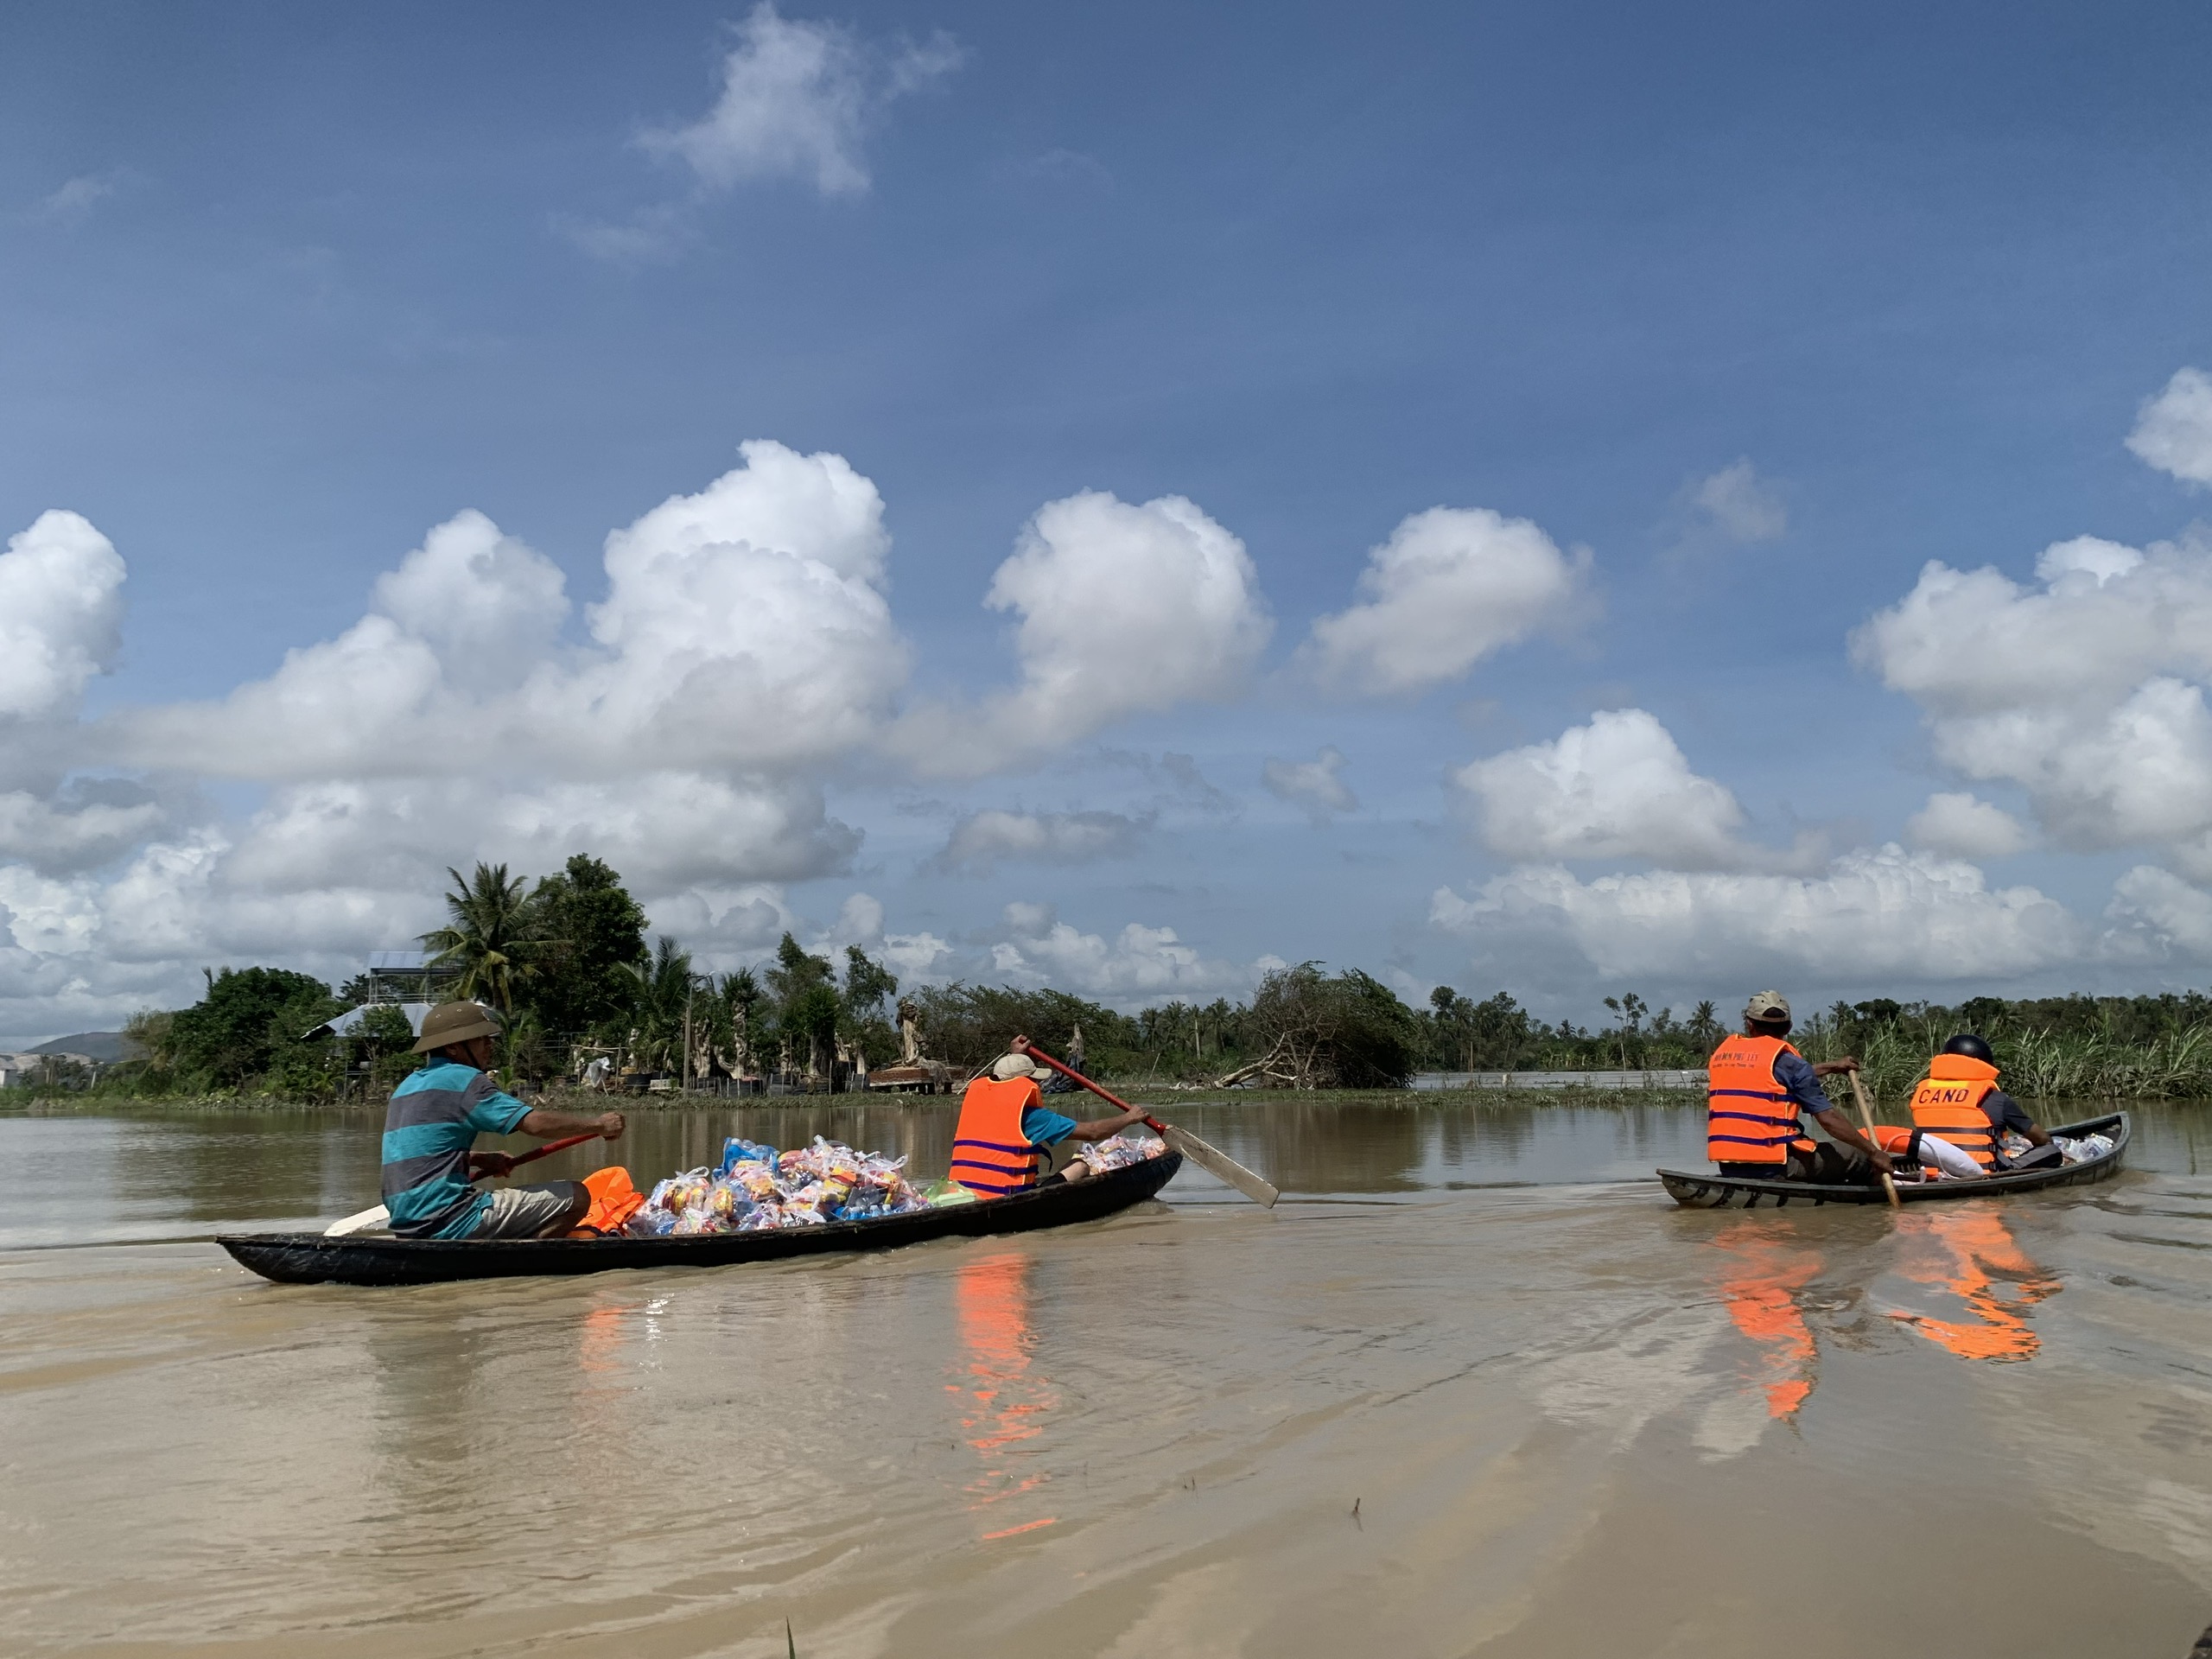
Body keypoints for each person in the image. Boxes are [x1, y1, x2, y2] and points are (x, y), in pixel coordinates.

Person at [381, 1000, 626, 1239]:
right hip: (450, 1219)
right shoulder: (465, 1079)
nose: (490, 1045)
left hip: (407, 1223)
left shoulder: (407, 1086)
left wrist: (479, 1159)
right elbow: (535, 1124)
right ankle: (530, 1256)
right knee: (578, 1196)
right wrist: (600, 1125)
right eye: (481, 1039)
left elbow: (418, 1151)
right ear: (453, 1047)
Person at [1706, 990, 1892, 1185]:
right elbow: (1828, 1120)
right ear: (1789, 1027)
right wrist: (1874, 1152)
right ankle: (1870, 1198)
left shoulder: (1723, 1057)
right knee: (1858, 1155)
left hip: (1729, 1165)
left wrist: (1832, 1067)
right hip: (1776, 1167)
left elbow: (1778, 1076)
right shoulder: (1792, 1065)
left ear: (1749, 1024)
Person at [948, 1047, 1151, 1197]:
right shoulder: (1033, 1117)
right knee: (1080, 1165)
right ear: (1025, 1082)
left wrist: (1016, 1055)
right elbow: (1093, 1132)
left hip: (963, 1194)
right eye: (1034, 1079)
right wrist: (1129, 1118)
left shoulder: (975, 1107)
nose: (1037, 1083)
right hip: (1007, 1196)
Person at [1897, 1033, 2060, 1174]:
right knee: (2051, 1150)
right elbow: (2042, 1139)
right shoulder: (1994, 1098)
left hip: (1933, 1173)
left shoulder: (1923, 1095)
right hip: (1985, 1173)